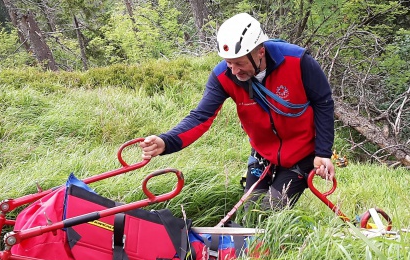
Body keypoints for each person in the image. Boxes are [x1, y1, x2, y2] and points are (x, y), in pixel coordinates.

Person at [140, 12, 335, 211]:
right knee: (250, 211)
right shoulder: (223, 76)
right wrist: (166, 141)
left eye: (239, 63)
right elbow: (201, 117)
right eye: (229, 62)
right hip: (263, 153)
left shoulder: (297, 61)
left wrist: (322, 152)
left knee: (268, 210)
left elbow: (323, 102)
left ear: (260, 51)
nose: (233, 71)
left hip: (301, 154)